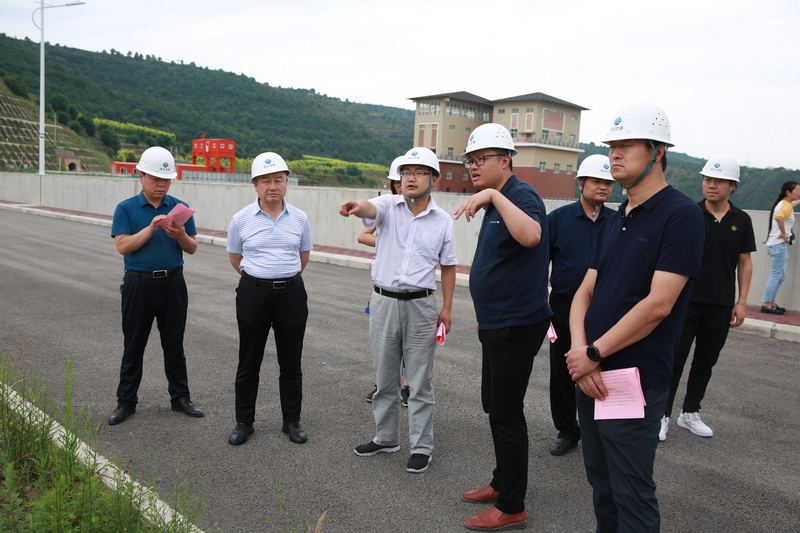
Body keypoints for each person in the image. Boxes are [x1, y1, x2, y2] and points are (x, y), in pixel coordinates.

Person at [565, 103, 704, 532]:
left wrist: (593, 352)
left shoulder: (681, 215)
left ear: (658, 151)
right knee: (601, 484)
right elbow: (585, 291)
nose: (615, 153)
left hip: (634, 379)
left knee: (632, 492)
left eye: (627, 145)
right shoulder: (617, 216)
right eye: (612, 145)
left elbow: (658, 304)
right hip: (589, 372)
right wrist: (579, 351)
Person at [453, 123, 552, 532]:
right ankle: (501, 482)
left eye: (481, 159)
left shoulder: (519, 194)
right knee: (495, 406)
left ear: (505, 160)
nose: (474, 167)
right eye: (470, 161)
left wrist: (493, 195)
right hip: (497, 322)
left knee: (507, 412)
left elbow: (532, 236)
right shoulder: (500, 200)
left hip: (516, 324)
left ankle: (512, 505)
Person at [339, 146, 456, 474]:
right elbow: (369, 208)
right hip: (383, 302)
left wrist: (447, 308)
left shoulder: (443, 221)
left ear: (434, 179)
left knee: (419, 381)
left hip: (421, 305)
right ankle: (386, 437)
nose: (410, 178)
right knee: (385, 376)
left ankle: (421, 447)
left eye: (419, 172)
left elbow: (448, 266)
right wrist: (356, 206)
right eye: (406, 173)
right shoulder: (388, 206)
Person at [661, 155, 756, 441]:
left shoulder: (742, 220)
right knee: (674, 360)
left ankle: (690, 412)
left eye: (718, 181)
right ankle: (662, 415)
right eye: (707, 179)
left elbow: (745, 262)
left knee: (705, 362)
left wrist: (741, 302)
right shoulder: (690, 214)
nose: (711, 185)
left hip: (721, 303)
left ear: (732, 186)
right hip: (685, 301)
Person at [108, 146, 204, 425]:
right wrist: (151, 228)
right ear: (140, 175)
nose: (161, 184)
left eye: (166, 179)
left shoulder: (179, 208)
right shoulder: (126, 208)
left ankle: (180, 398)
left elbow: (192, 247)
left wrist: (180, 234)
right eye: (155, 178)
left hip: (173, 282)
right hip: (139, 283)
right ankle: (126, 401)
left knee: (174, 344)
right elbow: (123, 246)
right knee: (133, 345)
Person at [226, 152, 312, 446]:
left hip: (291, 293)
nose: (272, 186)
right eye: (265, 181)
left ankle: (291, 421)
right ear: (255, 185)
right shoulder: (240, 219)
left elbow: (303, 256)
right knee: (249, 360)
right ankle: (244, 421)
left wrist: (283, 278)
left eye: (278, 179)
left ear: (287, 182)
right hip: (254, 293)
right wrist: (260, 279)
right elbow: (236, 258)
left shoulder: (300, 218)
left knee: (291, 362)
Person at [546, 154, 614, 456]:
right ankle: (567, 430)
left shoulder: (618, 222)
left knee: (603, 368)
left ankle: (602, 430)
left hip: (604, 310)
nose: (603, 187)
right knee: (563, 371)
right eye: (596, 181)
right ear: (581, 183)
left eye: (608, 183)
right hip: (562, 307)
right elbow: (539, 262)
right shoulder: (558, 219)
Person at [359, 156, 411, 407]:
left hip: (412, 288)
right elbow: (362, 235)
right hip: (385, 284)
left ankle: (407, 385)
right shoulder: (386, 207)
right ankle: (383, 384)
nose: (400, 186)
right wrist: (389, 243)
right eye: (396, 182)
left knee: (410, 342)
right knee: (385, 341)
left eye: (403, 180)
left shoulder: (423, 209)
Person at [760, 181, 800, 315]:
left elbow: (788, 207)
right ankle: (767, 303)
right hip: (779, 244)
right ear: (788, 192)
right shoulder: (785, 206)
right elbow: (779, 217)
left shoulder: (784, 204)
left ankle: (770, 302)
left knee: (781, 275)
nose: (799, 193)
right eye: (797, 191)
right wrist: (783, 234)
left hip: (776, 244)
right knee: (776, 275)